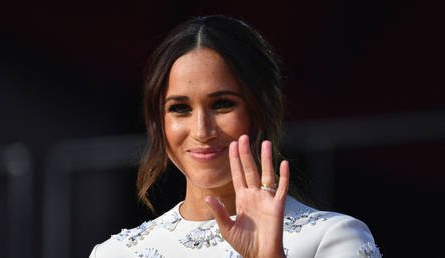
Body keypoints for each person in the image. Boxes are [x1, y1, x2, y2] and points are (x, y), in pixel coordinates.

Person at [89, 15, 381, 258]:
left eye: (222, 104)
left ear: (261, 110)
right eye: (180, 108)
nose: (202, 130)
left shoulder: (332, 239)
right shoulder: (114, 253)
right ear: (158, 122)